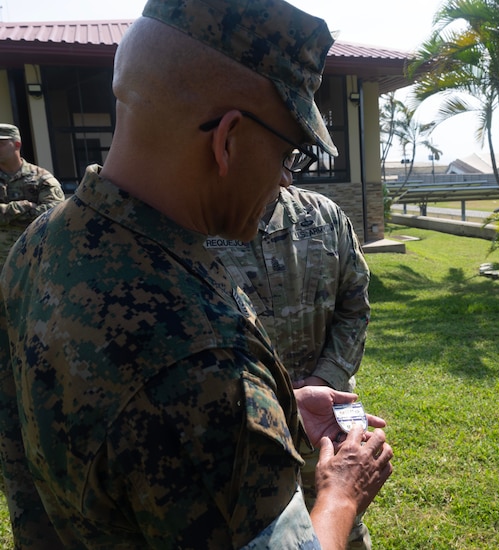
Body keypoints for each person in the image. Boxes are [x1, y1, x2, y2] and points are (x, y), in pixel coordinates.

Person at [0, 0, 393, 548]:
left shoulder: (38, 247)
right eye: (289, 153)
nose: (284, 180)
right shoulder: (209, 366)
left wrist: (274, 404)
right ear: (227, 139)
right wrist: (342, 493)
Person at [208, 184, 373, 548]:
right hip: (245, 426)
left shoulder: (326, 216)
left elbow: (355, 306)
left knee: (346, 524)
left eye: (293, 155)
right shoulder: (199, 221)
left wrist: (325, 376)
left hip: (327, 414)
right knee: (263, 535)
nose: (285, 168)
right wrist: (272, 402)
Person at [0, 123, 65, 250]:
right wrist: (22, 206)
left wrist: (6, 216)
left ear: (17, 144)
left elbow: (55, 212)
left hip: (34, 255)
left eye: (1, 144)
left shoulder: (40, 177)